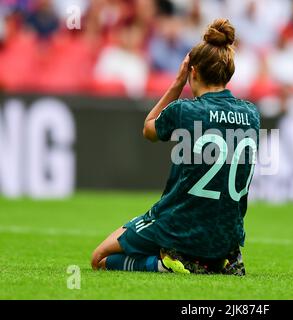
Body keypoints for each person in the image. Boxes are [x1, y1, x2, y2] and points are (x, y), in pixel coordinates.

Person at [91, 19, 260, 275]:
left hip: (178, 225)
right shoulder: (251, 114)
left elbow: (149, 129)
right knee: (209, 230)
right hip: (228, 236)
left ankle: (165, 263)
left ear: (192, 72)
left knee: (100, 259)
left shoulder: (185, 110)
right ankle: (219, 260)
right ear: (228, 73)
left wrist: (178, 83)